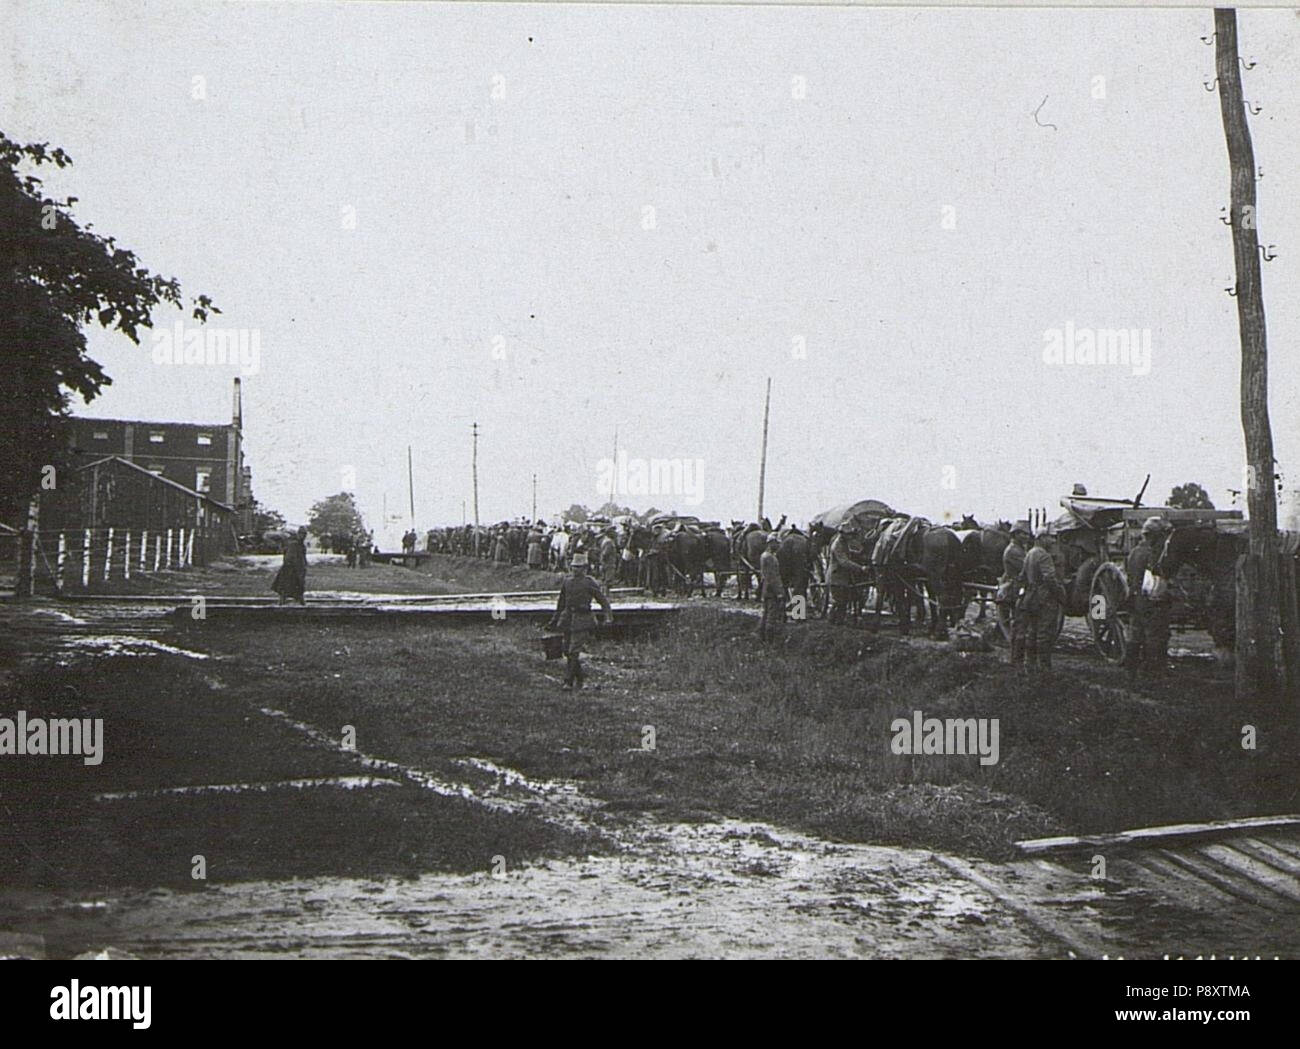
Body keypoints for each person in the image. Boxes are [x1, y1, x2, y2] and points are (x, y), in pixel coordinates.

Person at [547, 552, 613, 691]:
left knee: (574, 650)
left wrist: (608, 616)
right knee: (566, 650)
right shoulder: (567, 581)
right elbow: (561, 603)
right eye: (573, 567)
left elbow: (603, 601)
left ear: (584, 568)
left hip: (583, 619)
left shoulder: (589, 582)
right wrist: (554, 620)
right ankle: (580, 677)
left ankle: (568, 682)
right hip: (568, 618)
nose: (575, 570)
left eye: (578, 567)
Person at [1125, 516, 1172, 682]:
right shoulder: (1153, 554)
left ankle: (1131, 672)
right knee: (1155, 636)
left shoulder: (1134, 553)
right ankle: (1153, 673)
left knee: (1135, 635)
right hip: (1151, 601)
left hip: (1136, 600)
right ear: (1154, 536)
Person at [1018, 528, 1065, 670]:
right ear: (1042, 538)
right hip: (1045, 599)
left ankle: (1029, 664)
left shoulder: (1030, 554)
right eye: (1050, 537)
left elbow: (1022, 576)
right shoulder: (1044, 556)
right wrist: (1060, 594)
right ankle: (1045, 667)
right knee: (1045, 633)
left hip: (1031, 597)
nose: (1053, 541)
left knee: (1032, 631)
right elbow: (1049, 578)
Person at [1000, 520, 1032, 666]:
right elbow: (1027, 569)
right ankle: (1016, 661)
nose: (1026, 537)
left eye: (1027, 534)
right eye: (1023, 534)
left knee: (1019, 625)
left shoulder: (1019, 549)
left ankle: (1017, 659)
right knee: (1019, 626)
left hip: (1020, 588)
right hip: (1016, 590)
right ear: (1015, 534)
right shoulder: (1013, 551)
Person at [826, 521, 867, 624]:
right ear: (843, 534)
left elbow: (847, 554)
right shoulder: (837, 545)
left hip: (842, 578)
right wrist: (860, 568)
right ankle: (833, 623)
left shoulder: (843, 543)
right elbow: (843, 561)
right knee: (840, 602)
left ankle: (837, 623)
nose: (850, 536)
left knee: (842, 603)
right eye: (848, 534)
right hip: (836, 578)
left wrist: (858, 554)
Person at [759, 534, 787, 644]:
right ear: (771, 543)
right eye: (777, 543)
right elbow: (773, 577)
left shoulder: (764, 555)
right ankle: (769, 641)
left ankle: (762, 638)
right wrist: (780, 592)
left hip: (766, 589)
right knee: (771, 615)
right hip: (772, 590)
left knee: (766, 614)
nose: (779, 546)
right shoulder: (770, 557)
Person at [272, 527, 308, 605]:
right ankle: (280, 607)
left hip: (297, 569)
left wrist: (303, 566)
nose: (303, 536)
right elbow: (289, 557)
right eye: (302, 534)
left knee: (298, 589)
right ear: (298, 534)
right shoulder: (293, 544)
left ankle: (303, 605)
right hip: (290, 570)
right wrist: (294, 566)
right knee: (285, 589)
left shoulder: (301, 545)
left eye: (304, 534)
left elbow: (302, 557)